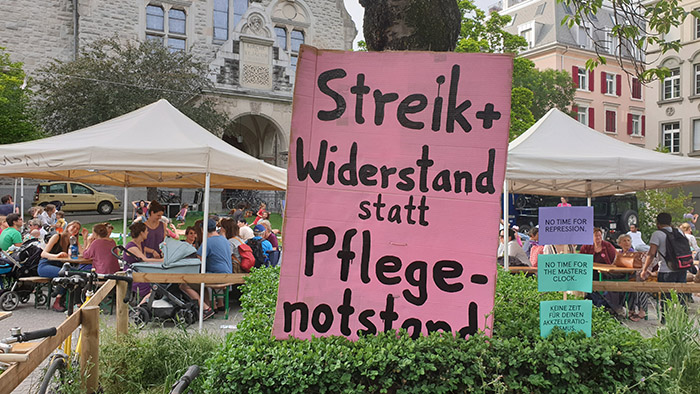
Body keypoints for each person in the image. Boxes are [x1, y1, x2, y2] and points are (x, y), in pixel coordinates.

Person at [640, 212, 689, 322]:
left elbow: (651, 253)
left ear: (658, 223)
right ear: (670, 222)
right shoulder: (679, 232)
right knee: (681, 295)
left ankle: (665, 320)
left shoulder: (657, 234)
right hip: (681, 268)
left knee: (666, 297)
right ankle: (683, 319)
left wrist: (645, 269)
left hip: (666, 270)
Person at [179, 219, 230, 319]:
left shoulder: (208, 242)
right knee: (202, 283)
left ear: (203, 230)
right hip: (228, 274)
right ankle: (207, 308)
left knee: (183, 285)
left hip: (216, 276)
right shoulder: (224, 239)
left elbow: (199, 261)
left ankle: (205, 308)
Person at [39, 221, 90, 312]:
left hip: (63, 267)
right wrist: (56, 256)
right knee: (66, 274)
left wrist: (85, 239)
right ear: (68, 226)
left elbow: (83, 254)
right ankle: (58, 299)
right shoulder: (57, 237)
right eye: (73, 227)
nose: (75, 229)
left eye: (77, 229)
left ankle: (74, 301)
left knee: (78, 274)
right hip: (46, 265)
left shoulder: (73, 240)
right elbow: (43, 254)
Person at [122, 222, 162, 300]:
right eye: (146, 231)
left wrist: (154, 252)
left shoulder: (141, 244)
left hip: (140, 273)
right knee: (154, 287)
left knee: (157, 283)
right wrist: (162, 260)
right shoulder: (132, 247)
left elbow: (148, 250)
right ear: (141, 233)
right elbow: (145, 259)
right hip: (132, 276)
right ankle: (141, 307)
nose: (148, 232)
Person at [616, 233, 649, 321]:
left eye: (628, 240)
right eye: (624, 241)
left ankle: (642, 310)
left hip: (636, 276)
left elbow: (640, 267)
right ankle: (630, 310)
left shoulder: (635, 253)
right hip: (624, 276)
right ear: (619, 243)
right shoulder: (619, 254)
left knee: (638, 285)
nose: (627, 242)